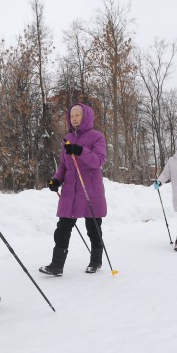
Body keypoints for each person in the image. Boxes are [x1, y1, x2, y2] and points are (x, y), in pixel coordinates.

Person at [39, 103, 107, 276]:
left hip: (89, 189)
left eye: (78, 115)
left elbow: (98, 161)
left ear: (86, 116)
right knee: (62, 228)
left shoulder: (96, 137)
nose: (74, 118)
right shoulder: (67, 138)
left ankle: (96, 260)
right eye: (71, 116)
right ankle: (56, 265)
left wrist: (80, 150)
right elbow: (64, 166)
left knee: (93, 228)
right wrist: (56, 180)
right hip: (70, 190)